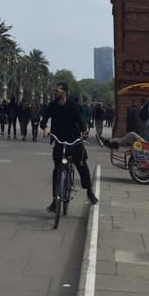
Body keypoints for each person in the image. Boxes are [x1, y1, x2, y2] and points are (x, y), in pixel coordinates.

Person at [41, 82, 97, 210]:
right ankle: (55, 200)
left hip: (74, 140)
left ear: (64, 92)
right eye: (55, 91)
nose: (55, 92)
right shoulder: (52, 106)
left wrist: (84, 131)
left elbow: (80, 121)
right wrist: (45, 128)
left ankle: (89, 191)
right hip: (59, 139)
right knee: (57, 169)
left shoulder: (73, 106)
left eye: (58, 90)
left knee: (82, 165)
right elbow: (44, 120)